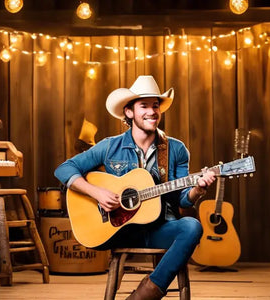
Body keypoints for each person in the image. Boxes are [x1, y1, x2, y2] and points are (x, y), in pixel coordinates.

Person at [54, 75, 216, 299]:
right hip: (122, 231)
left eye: (156, 105)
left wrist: (198, 189)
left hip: (161, 229)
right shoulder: (110, 146)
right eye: (144, 106)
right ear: (129, 112)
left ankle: (144, 294)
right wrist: (97, 192)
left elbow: (182, 199)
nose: (152, 111)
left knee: (192, 226)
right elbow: (64, 169)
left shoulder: (176, 149)